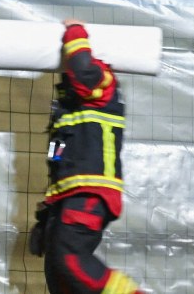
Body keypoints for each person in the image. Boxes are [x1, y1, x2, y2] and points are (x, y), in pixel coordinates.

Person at [37, 19, 144, 294]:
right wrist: (48, 215)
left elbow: (83, 70)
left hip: (90, 191)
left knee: (70, 259)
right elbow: (57, 157)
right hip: (69, 195)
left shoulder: (102, 81)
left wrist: (74, 31)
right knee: (58, 272)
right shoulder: (68, 107)